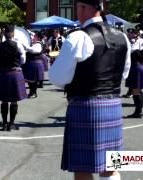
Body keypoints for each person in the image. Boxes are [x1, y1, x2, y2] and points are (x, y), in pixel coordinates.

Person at [49, 0, 131, 180]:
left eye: (77, 7)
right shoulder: (122, 37)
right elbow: (123, 74)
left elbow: (57, 77)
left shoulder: (78, 37)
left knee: (83, 168)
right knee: (111, 166)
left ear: (83, 8)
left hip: (86, 107)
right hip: (114, 106)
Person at [0, 25, 27, 131]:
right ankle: (11, 124)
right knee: (14, 100)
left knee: (4, 100)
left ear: (4, 34)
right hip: (16, 73)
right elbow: (23, 59)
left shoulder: (0, 46)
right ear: (13, 34)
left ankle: (4, 124)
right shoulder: (18, 44)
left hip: (4, 74)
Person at [23, 32, 45, 98]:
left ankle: (33, 93)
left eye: (34, 36)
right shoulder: (35, 44)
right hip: (33, 63)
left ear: (38, 37)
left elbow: (35, 51)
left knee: (33, 80)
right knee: (31, 80)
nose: (33, 37)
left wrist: (25, 47)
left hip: (35, 63)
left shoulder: (38, 44)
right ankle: (32, 92)